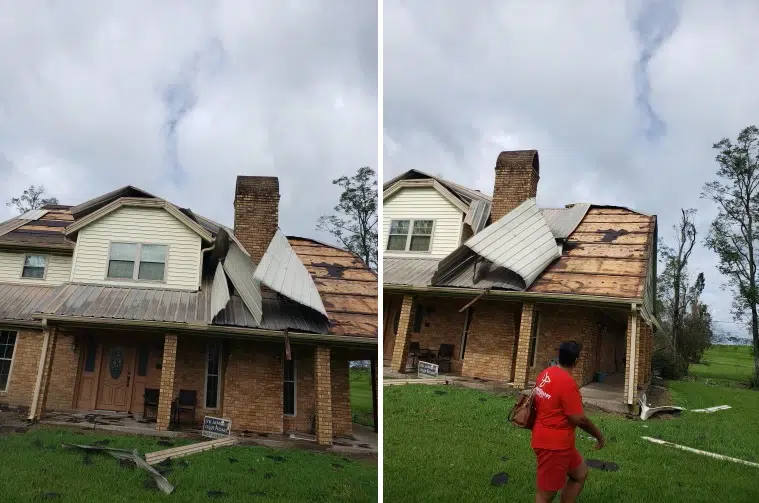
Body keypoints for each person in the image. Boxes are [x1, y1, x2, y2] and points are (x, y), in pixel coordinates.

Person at [531, 341, 605, 503]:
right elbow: (579, 419)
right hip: (553, 447)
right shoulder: (568, 383)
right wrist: (599, 436)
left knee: (580, 473)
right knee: (546, 495)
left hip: (557, 442)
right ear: (577, 361)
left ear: (559, 356)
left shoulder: (546, 373)